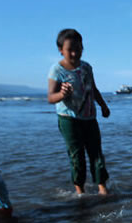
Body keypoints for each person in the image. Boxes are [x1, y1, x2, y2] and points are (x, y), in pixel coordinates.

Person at [47, 28, 111, 195]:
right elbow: (50, 97)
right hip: (69, 119)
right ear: (61, 50)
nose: (75, 53)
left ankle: (102, 188)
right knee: (77, 157)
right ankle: (80, 191)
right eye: (70, 50)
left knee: (96, 154)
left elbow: (93, 89)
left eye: (78, 48)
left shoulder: (86, 67)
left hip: (90, 117)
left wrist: (103, 106)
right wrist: (61, 94)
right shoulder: (57, 70)